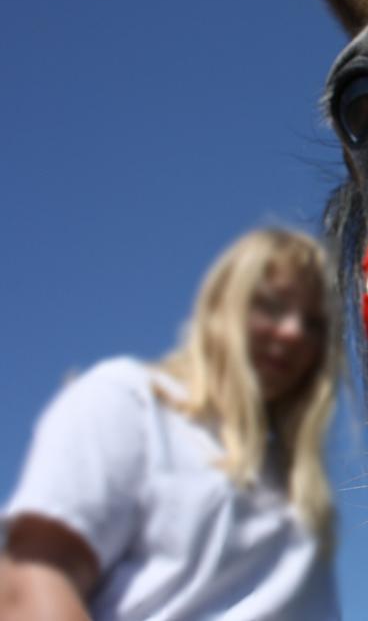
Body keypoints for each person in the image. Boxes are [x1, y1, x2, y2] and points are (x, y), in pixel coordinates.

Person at [0, 228, 343, 620]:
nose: (293, 332)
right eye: (270, 305)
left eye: (314, 324)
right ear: (221, 305)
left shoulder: (296, 487)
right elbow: (33, 578)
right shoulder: (130, 401)